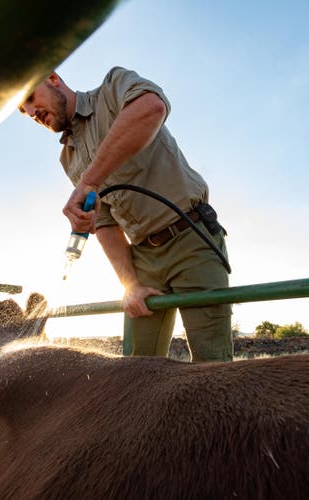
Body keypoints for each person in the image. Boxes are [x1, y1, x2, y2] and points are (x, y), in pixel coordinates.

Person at [18, 66, 233, 362]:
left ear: (53, 79)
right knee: (137, 368)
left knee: (213, 366)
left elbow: (152, 107)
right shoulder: (68, 157)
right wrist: (130, 285)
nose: (31, 112)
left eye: (31, 97)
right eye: (24, 110)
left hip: (191, 237)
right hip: (141, 257)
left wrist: (89, 180)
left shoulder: (112, 89)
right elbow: (105, 223)